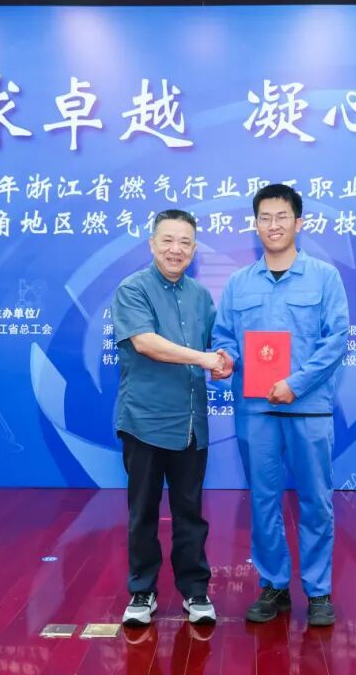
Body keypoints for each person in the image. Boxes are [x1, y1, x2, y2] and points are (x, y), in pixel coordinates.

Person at [211, 183, 349, 627]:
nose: (273, 225)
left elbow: (336, 340)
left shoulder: (324, 277)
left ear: (298, 222)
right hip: (256, 410)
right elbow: (224, 337)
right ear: (255, 225)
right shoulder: (239, 283)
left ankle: (319, 591)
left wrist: (295, 383)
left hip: (308, 407)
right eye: (265, 218)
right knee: (263, 501)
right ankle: (273, 585)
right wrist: (225, 359)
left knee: (316, 501)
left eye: (282, 216)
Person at [111, 209, 232, 628]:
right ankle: (142, 591)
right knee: (142, 512)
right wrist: (205, 359)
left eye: (184, 242)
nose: (175, 249)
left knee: (190, 512)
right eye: (167, 240)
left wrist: (227, 358)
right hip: (144, 421)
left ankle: (195, 591)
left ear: (194, 250)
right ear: (152, 244)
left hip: (190, 424)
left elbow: (219, 342)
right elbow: (146, 343)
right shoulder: (132, 289)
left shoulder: (200, 295)